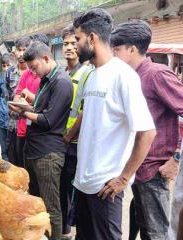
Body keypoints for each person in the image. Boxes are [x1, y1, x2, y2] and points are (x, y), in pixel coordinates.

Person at [72, 9, 156, 240]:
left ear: (91, 38)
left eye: (78, 39)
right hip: (83, 182)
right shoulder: (92, 74)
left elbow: (147, 132)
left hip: (105, 188)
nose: (75, 45)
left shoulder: (123, 76)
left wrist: (124, 177)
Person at [111, 20, 183, 240]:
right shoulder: (130, 78)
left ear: (132, 49)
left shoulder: (156, 74)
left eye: (117, 50)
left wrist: (176, 159)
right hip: (137, 169)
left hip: (154, 170)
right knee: (143, 228)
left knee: (156, 233)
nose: (113, 55)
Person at [10, 41, 73, 240]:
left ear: (46, 58)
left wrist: (23, 112)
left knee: (51, 207)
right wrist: (25, 108)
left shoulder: (61, 81)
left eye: (34, 67)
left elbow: (48, 120)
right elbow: (39, 111)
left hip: (48, 154)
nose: (33, 73)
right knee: (36, 203)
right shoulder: (46, 79)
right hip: (34, 149)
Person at [59, 23, 92, 240]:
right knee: (62, 186)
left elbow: (83, 111)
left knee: (73, 190)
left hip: (76, 143)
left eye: (73, 43)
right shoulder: (64, 72)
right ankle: (64, 230)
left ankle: (71, 231)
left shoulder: (87, 73)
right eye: (65, 44)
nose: (69, 48)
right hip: (62, 140)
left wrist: (69, 136)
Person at [12, 34, 49, 168]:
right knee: (21, 168)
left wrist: (27, 97)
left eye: (31, 47)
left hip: (40, 135)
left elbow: (47, 106)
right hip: (22, 130)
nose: (28, 51)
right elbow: (16, 98)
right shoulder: (26, 74)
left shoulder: (50, 77)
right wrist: (22, 103)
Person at [5, 37, 31, 166]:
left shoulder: (34, 72)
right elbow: (6, 98)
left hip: (28, 127)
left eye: (24, 50)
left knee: (25, 163)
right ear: (14, 52)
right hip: (12, 124)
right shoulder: (10, 72)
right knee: (12, 160)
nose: (21, 54)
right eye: (19, 50)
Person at [0, 54, 12, 160]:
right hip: (2, 119)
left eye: (8, 65)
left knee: (11, 147)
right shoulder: (0, 81)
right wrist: (2, 107)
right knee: (3, 147)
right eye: (3, 65)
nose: (6, 68)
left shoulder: (16, 80)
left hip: (13, 121)